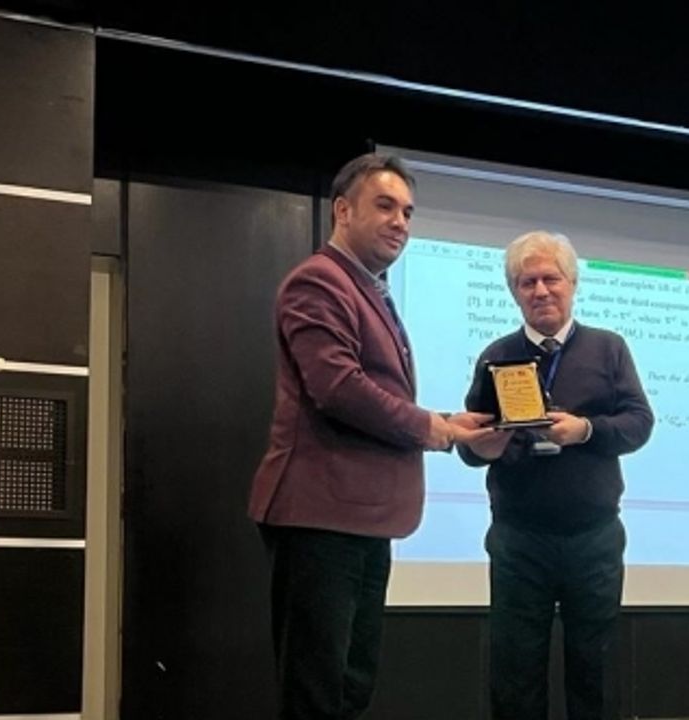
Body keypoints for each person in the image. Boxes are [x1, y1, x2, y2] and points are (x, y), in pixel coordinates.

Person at [248, 152, 491, 720]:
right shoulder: (319, 281)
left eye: (407, 212)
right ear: (342, 210)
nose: (400, 222)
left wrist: (448, 423)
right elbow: (338, 388)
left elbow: (374, 392)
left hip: (359, 518)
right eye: (385, 206)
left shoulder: (369, 288)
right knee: (317, 690)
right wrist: (430, 428)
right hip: (320, 515)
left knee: (350, 686)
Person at [459, 231, 654, 720]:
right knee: (515, 673)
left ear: (572, 284)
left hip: (594, 538)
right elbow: (470, 446)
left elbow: (639, 423)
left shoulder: (609, 348)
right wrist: (482, 447)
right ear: (514, 291)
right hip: (519, 540)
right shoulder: (496, 356)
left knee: (596, 672)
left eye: (551, 279)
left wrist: (584, 430)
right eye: (528, 282)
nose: (541, 290)